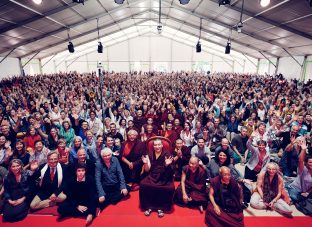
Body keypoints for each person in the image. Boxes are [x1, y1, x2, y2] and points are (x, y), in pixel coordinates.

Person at [139, 139, 175, 217]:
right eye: (155, 145)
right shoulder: (149, 154)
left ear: (162, 145)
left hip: (164, 176)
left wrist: (167, 165)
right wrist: (145, 163)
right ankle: (148, 207)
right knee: (143, 184)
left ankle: (161, 208)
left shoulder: (168, 154)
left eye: (159, 145)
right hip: (152, 175)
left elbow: (172, 170)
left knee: (169, 188)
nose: (157, 146)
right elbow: (147, 169)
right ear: (153, 146)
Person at [286, 137, 312, 203]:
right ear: (307, 163)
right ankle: (286, 187)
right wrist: (303, 149)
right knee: (296, 198)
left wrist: (307, 192)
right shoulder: (304, 169)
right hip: (295, 188)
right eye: (310, 162)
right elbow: (301, 160)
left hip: (305, 191)